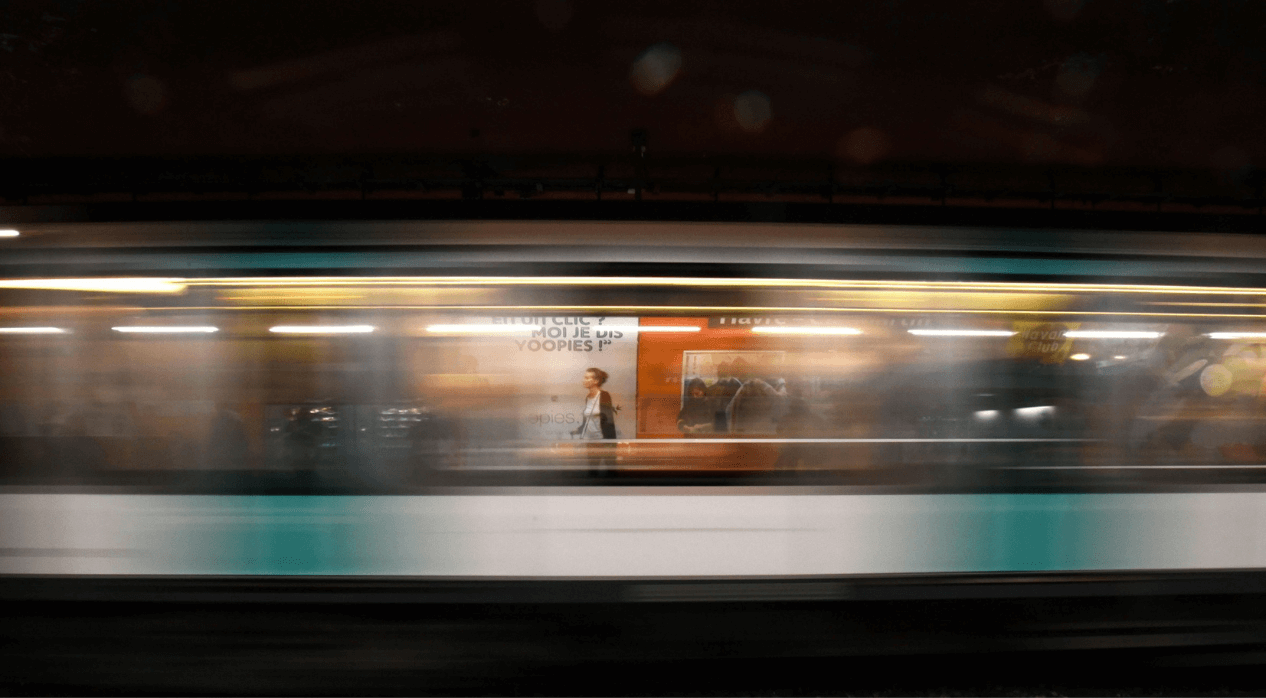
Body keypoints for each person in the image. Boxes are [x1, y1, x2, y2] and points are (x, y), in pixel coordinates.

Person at [572, 367, 616, 477]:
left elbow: (608, 420)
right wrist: (578, 430)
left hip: (604, 440)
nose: (584, 380)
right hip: (591, 441)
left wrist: (610, 443)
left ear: (596, 381)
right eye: (584, 377)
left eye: (587, 378)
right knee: (593, 473)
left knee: (611, 473)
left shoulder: (604, 396)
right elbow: (587, 420)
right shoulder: (588, 397)